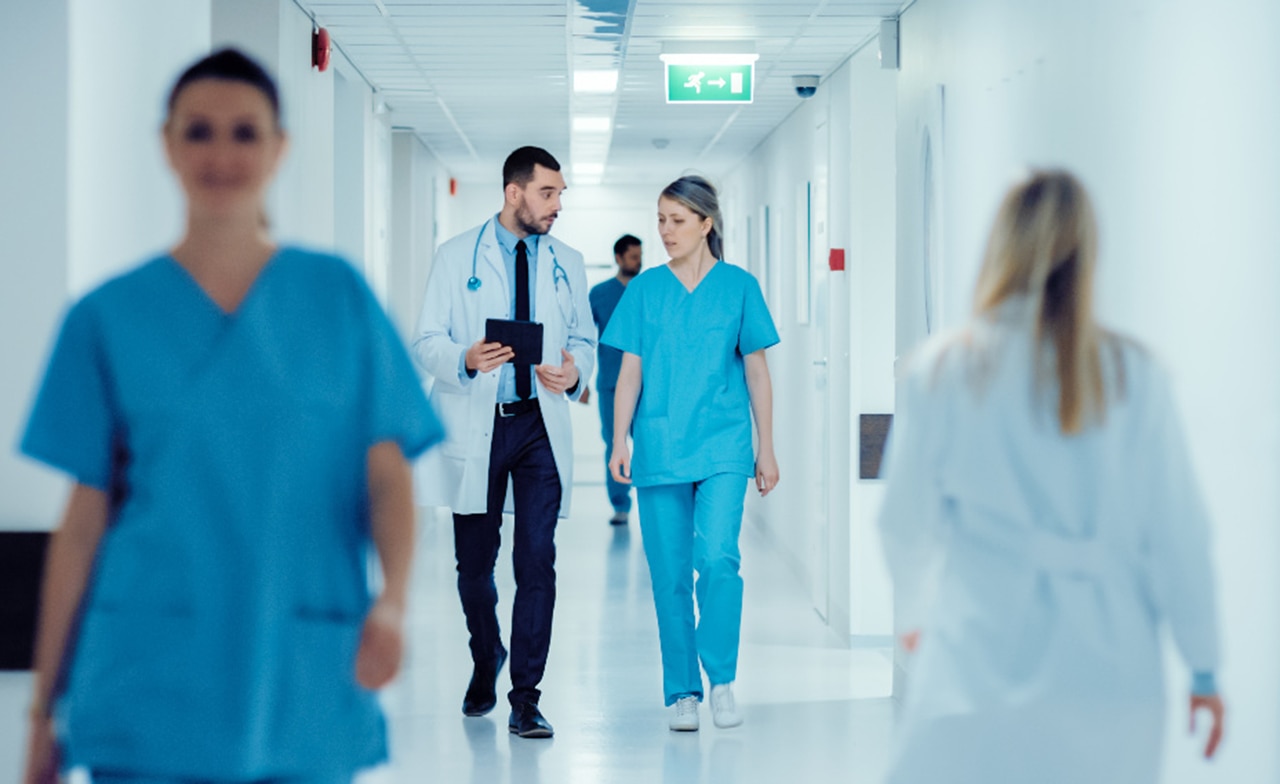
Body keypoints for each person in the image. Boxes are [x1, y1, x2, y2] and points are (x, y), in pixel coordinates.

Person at [19, 49, 442, 784]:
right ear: (168, 144)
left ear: (279, 147)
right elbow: (83, 523)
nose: (221, 155)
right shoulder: (108, 317)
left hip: (301, 665)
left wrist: (394, 602)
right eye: (199, 131)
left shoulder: (336, 298)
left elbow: (386, 477)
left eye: (245, 133)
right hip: (151, 674)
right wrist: (40, 712)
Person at [877, 170, 1225, 784]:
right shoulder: (1134, 374)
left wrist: (913, 618)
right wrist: (1203, 667)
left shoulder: (946, 370)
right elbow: (1181, 535)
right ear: (1088, 253)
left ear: (1001, 247)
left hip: (978, 651)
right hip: (1110, 667)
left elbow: (903, 521)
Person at [412, 146, 595, 739]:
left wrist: (575, 372)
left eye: (560, 194)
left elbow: (584, 339)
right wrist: (464, 358)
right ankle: (486, 652)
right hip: (478, 423)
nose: (557, 205)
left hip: (539, 425)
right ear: (514, 192)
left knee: (537, 559)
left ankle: (526, 698)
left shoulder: (568, 261)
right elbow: (426, 340)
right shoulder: (455, 256)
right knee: (474, 566)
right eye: (548, 193)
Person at [603, 175, 779, 732]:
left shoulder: (739, 287)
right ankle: (683, 691)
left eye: (677, 220)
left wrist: (767, 448)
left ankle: (721, 679)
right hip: (660, 446)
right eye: (660, 220)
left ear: (706, 224)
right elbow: (630, 372)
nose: (665, 231)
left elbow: (757, 371)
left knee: (719, 559)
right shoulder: (645, 290)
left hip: (725, 443)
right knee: (670, 575)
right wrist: (618, 439)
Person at [589, 234, 643, 525]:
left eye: (640, 256)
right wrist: (580, 380)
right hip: (610, 383)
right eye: (633, 257)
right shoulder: (599, 294)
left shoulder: (648, 290)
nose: (638, 262)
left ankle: (652, 504)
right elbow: (584, 339)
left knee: (648, 443)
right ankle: (620, 505)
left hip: (647, 385)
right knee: (615, 443)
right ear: (619, 258)